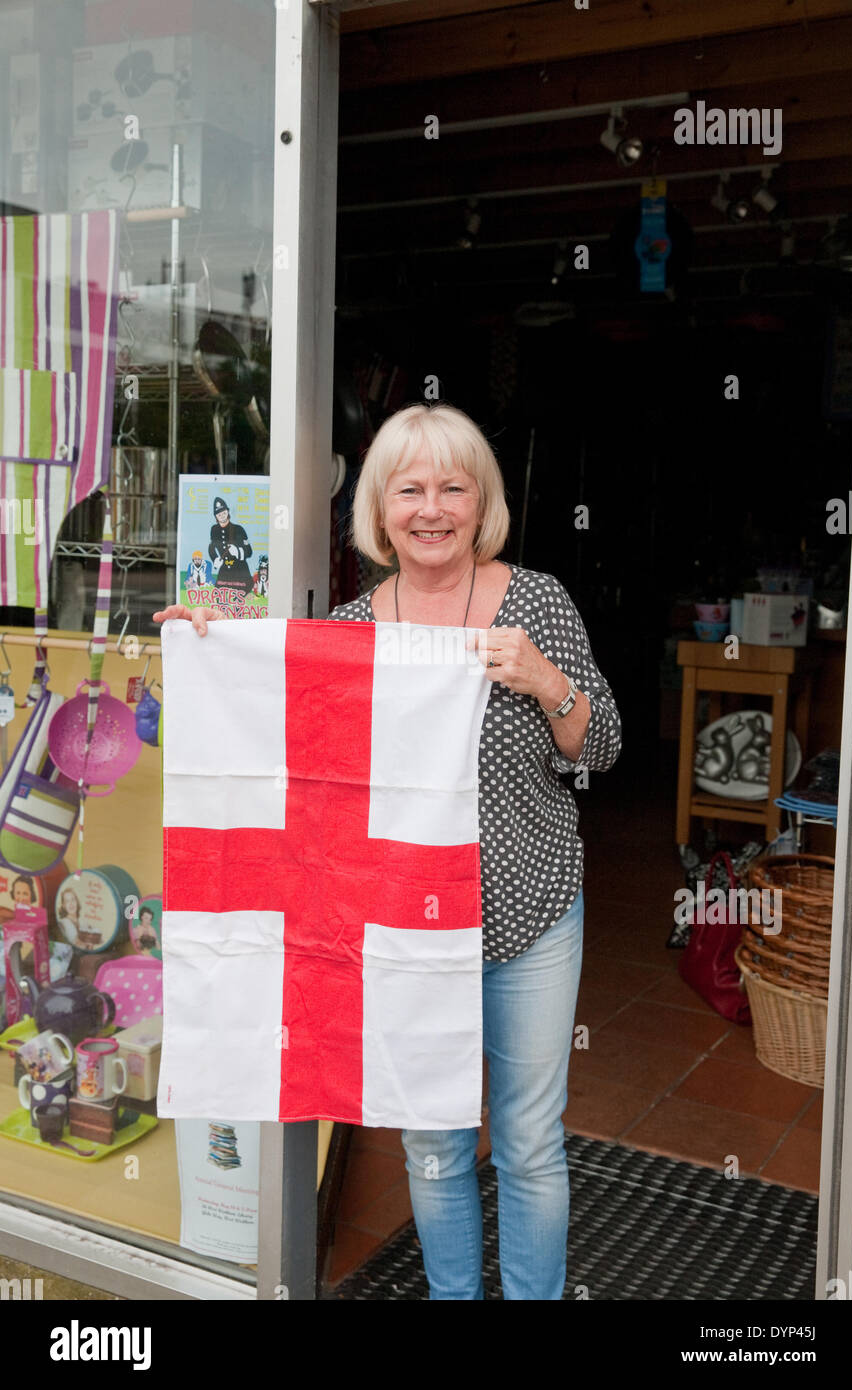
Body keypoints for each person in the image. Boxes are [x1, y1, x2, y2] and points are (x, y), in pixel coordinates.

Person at [154, 401, 622, 1300]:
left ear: (482, 502)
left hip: (529, 913)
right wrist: (207, 649)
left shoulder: (537, 606)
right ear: (380, 507)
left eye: (454, 486)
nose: (433, 507)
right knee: (433, 1135)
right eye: (410, 488)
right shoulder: (353, 628)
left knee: (527, 1138)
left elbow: (600, 750)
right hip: (406, 929)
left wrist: (548, 681)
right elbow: (286, 752)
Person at [208, 497, 253, 595]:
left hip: (241, 572)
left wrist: (238, 551)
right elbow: (211, 547)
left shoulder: (239, 529)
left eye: (224, 513)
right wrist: (215, 559)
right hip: (224, 572)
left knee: (239, 600)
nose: (222, 516)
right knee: (218, 598)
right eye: (219, 514)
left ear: (228, 512)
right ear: (216, 517)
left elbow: (249, 551)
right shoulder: (214, 530)